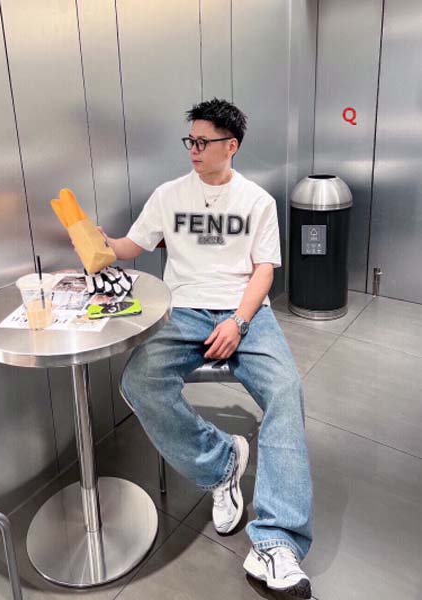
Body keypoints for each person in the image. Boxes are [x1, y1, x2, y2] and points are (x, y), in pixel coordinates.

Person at [101, 98, 313, 598]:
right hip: (183, 310)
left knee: (286, 391)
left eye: (203, 141)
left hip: (245, 311)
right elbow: (131, 246)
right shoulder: (169, 195)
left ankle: (277, 542)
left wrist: (239, 321)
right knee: (139, 381)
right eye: (190, 141)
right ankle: (221, 464)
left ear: (231, 145)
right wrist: (98, 243)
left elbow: (264, 271)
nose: (193, 149)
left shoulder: (257, 201)